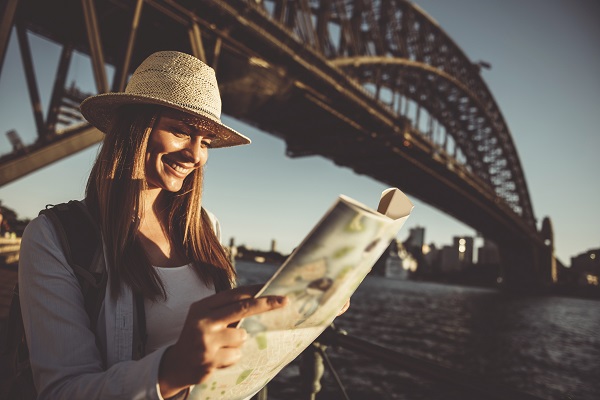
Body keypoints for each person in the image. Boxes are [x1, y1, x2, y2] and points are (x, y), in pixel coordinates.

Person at [18, 51, 348, 400]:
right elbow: (61, 391)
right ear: (134, 127)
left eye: (205, 142)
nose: (196, 155)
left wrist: (297, 307)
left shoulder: (206, 228)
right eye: (180, 131)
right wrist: (169, 371)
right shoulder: (53, 238)